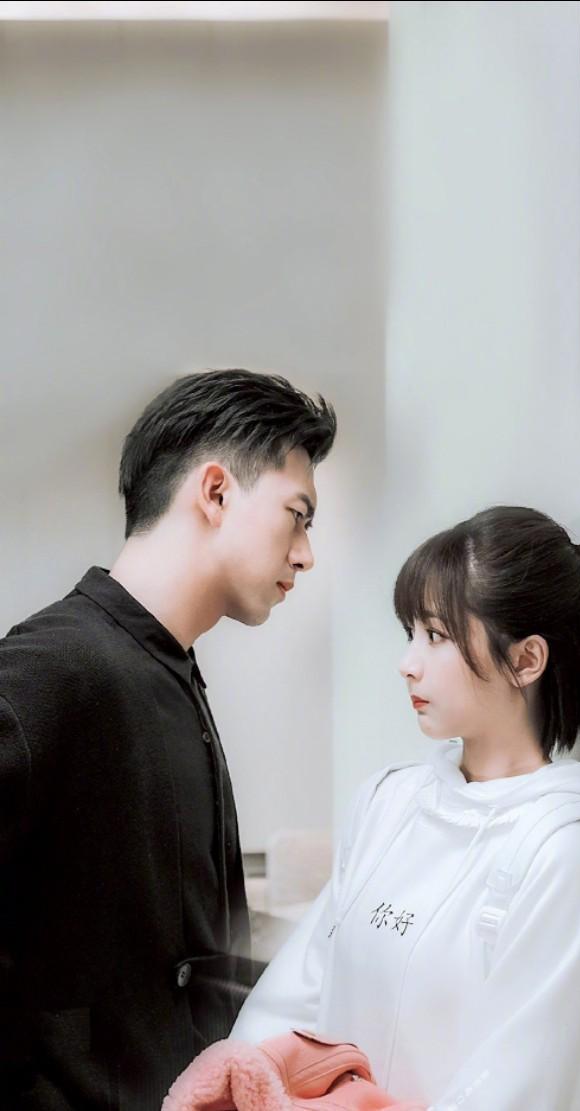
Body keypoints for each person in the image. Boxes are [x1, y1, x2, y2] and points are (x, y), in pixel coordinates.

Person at [0, 368, 337, 1110]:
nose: (305, 553)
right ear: (215, 492)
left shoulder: (170, 668)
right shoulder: (52, 667)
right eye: (297, 515)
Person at [231, 506, 580, 1110]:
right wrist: (242, 1081)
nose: (408, 662)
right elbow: (296, 994)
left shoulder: (563, 853)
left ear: (526, 660)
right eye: (411, 633)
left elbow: (524, 1087)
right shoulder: (389, 802)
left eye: (436, 635)